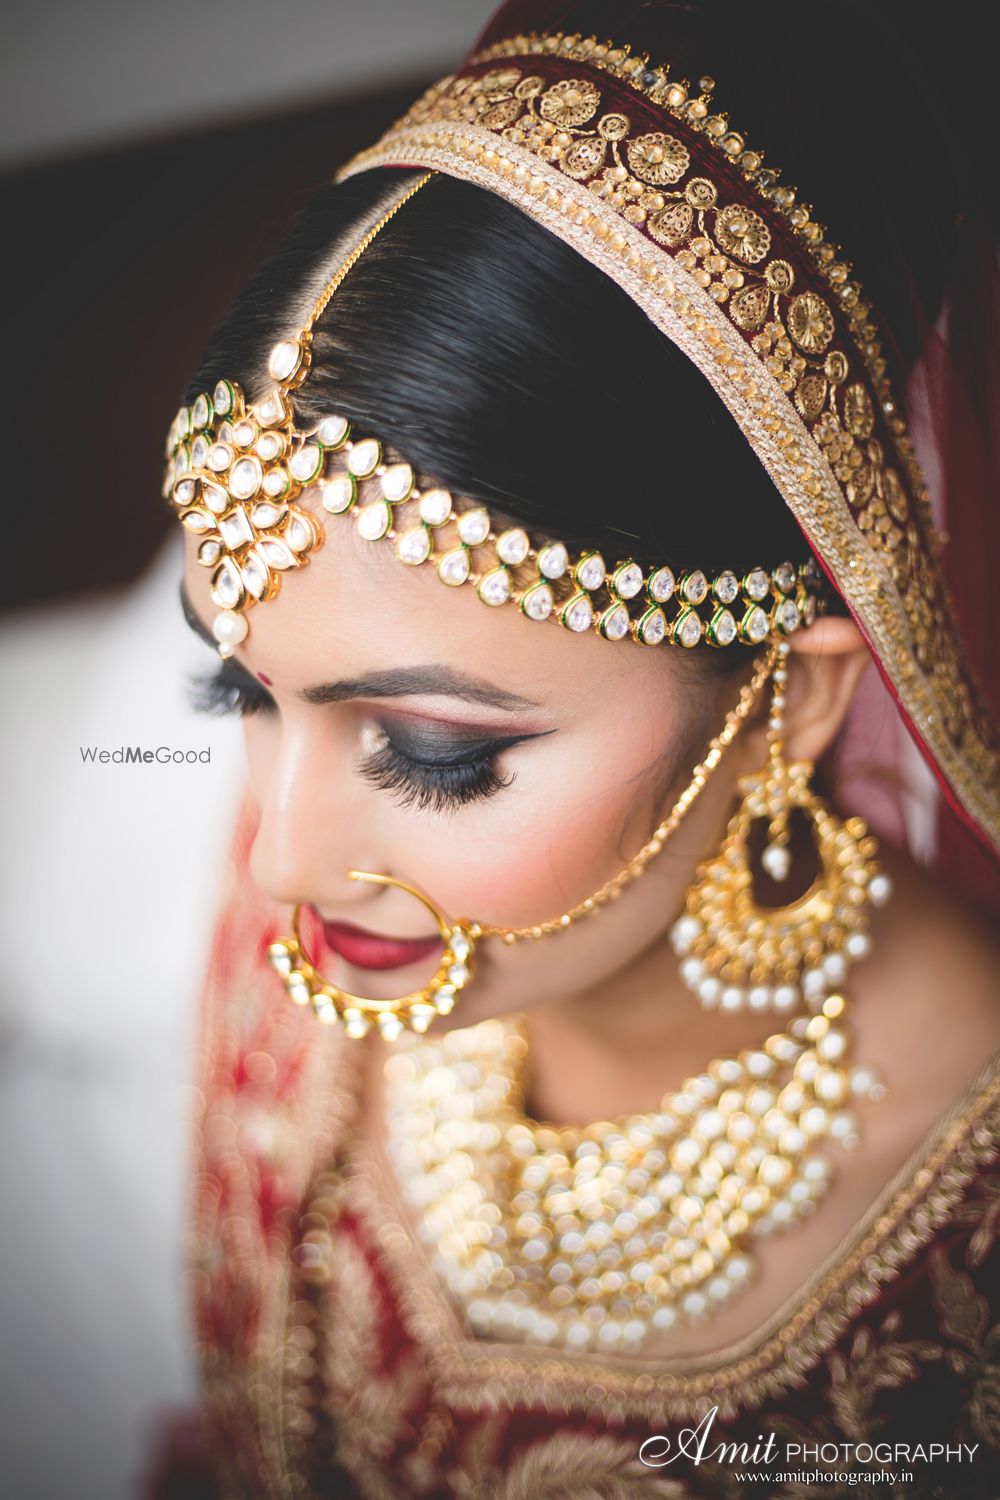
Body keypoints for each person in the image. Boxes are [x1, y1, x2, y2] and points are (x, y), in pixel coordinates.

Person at [158, 2, 1000, 1494]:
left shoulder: (965, 1269)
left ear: (787, 704)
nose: (281, 854)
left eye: (429, 752)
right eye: (245, 696)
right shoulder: (331, 911)